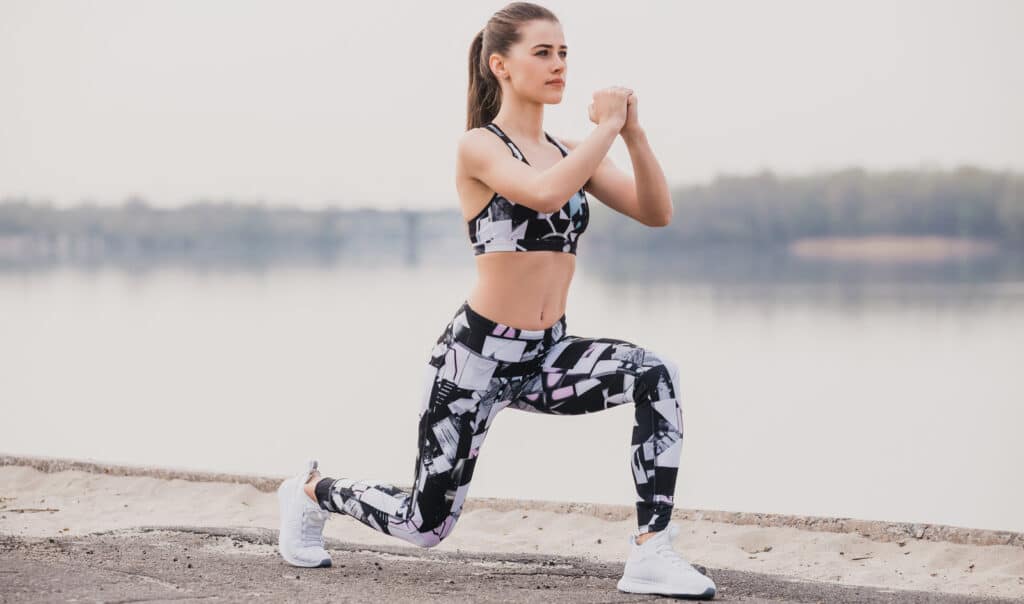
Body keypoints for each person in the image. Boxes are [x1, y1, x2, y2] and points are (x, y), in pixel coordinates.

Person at [276, 1, 716, 599]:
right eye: (543, 52)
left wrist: (632, 132)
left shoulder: (569, 151)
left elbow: (656, 212)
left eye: (564, 53)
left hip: (548, 356)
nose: (559, 65)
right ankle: (312, 492)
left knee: (655, 374)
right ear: (500, 66)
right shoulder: (479, 148)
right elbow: (539, 196)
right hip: (475, 362)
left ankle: (650, 551)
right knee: (424, 525)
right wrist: (606, 128)